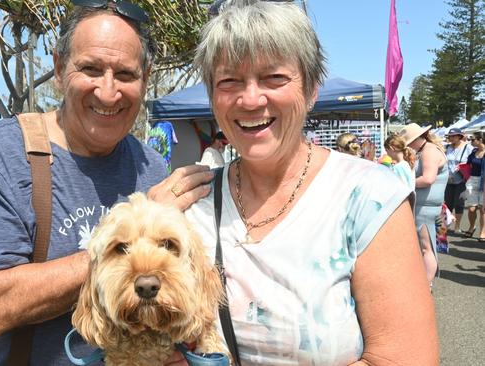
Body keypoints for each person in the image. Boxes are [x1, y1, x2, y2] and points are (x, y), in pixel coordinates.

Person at [169, 1, 439, 365]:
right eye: (229, 80)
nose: (250, 99)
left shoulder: (367, 196)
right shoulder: (188, 203)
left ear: (311, 89)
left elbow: (405, 358)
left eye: (274, 78)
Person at [0, 1, 212, 364]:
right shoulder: (7, 154)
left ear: (146, 76)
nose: (108, 92)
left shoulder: (151, 167)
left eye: (125, 74)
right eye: (90, 69)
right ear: (60, 69)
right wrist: (109, 254)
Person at [400, 123, 448, 285]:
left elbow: (428, 179)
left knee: (427, 248)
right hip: (424, 206)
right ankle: (425, 283)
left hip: (426, 207)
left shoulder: (429, 151)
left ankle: (426, 285)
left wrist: (404, 182)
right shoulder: (427, 150)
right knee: (426, 247)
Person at [443, 127, 473, 233]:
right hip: (448, 180)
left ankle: (457, 226)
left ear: (459, 136)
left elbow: (473, 160)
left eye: (453, 136)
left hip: (461, 179)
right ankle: (447, 225)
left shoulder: (468, 148)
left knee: (459, 203)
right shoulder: (446, 147)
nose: (450, 138)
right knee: (448, 203)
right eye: (449, 136)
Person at [463, 132, 485, 239]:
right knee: (471, 209)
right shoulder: (474, 151)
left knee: (482, 209)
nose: (471, 142)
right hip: (472, 180)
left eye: (473, 139)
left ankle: (483, 232)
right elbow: (468, 164)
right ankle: (472, 227)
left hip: (483, 182)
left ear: (480, 140)